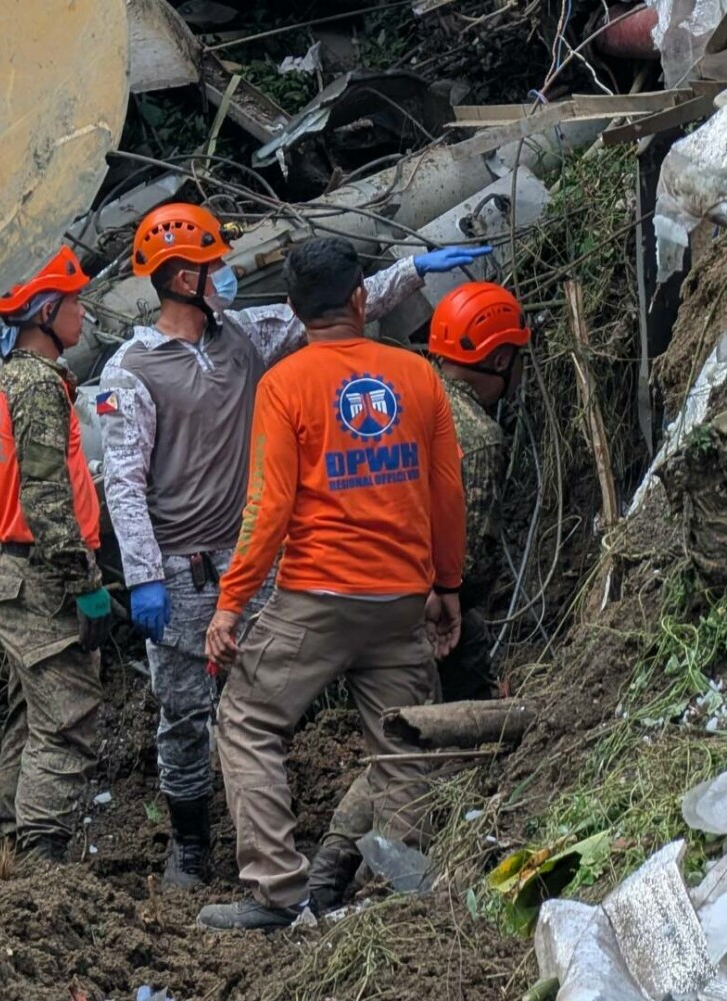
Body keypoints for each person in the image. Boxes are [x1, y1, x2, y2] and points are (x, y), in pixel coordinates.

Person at [98, 202, 488, 888]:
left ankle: (279, 859)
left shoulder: (246, 338)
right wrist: (142, 574)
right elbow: (124, 482)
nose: (224, 274)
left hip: (256, 561)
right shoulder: (131, 371)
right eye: (214, 264)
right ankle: (191, 845)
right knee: (186, 710)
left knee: (257, 706)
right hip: (181, 570)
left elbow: (328, 308)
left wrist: (413, 270)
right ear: (185, 278)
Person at [196, 236, 468, 931]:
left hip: (317, 596)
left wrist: (230, 604)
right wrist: (447, 584)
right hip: (401, 600)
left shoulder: (285, 384)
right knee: (399, 737)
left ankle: (277, 894)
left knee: (249, 719)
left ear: (292, 308)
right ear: (357, 300)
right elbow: (445, 491)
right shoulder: (417, 375)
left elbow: (267, 507)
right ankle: (402, 885)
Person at [306, 281, 532, 914]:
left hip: (353, 592)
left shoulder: (395, 396)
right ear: (497, 360)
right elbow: (464, 557)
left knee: (398, 737)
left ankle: (329, 876)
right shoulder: (476, 439)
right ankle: (367, 881)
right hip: (420, 609)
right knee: (423, 737)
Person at [0, 245, 112, 863]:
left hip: (19, 573)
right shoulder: (37, 386)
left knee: (30, 719)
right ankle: (40, 862)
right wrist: (86, 580)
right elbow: (46, 496)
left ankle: (16, 847)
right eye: (75, 301)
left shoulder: (13, 381)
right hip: (43, 577)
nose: (83, 313)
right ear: (44, 311)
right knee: (66, 721)